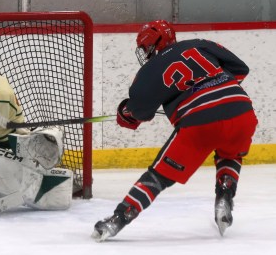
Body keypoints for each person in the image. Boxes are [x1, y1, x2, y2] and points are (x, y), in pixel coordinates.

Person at [92, 20, 258, 241]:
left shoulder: (149, 70)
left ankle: (119, 218)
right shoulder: (200, 44)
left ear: (154, 43)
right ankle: (225, 195)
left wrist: (125, 113)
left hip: (199, 124)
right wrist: (209, 87)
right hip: (242, 112)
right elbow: (240, 69)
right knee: (231, 153)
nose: (144, 53)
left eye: (145, 47)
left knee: (158, 177)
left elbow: (138, 113)